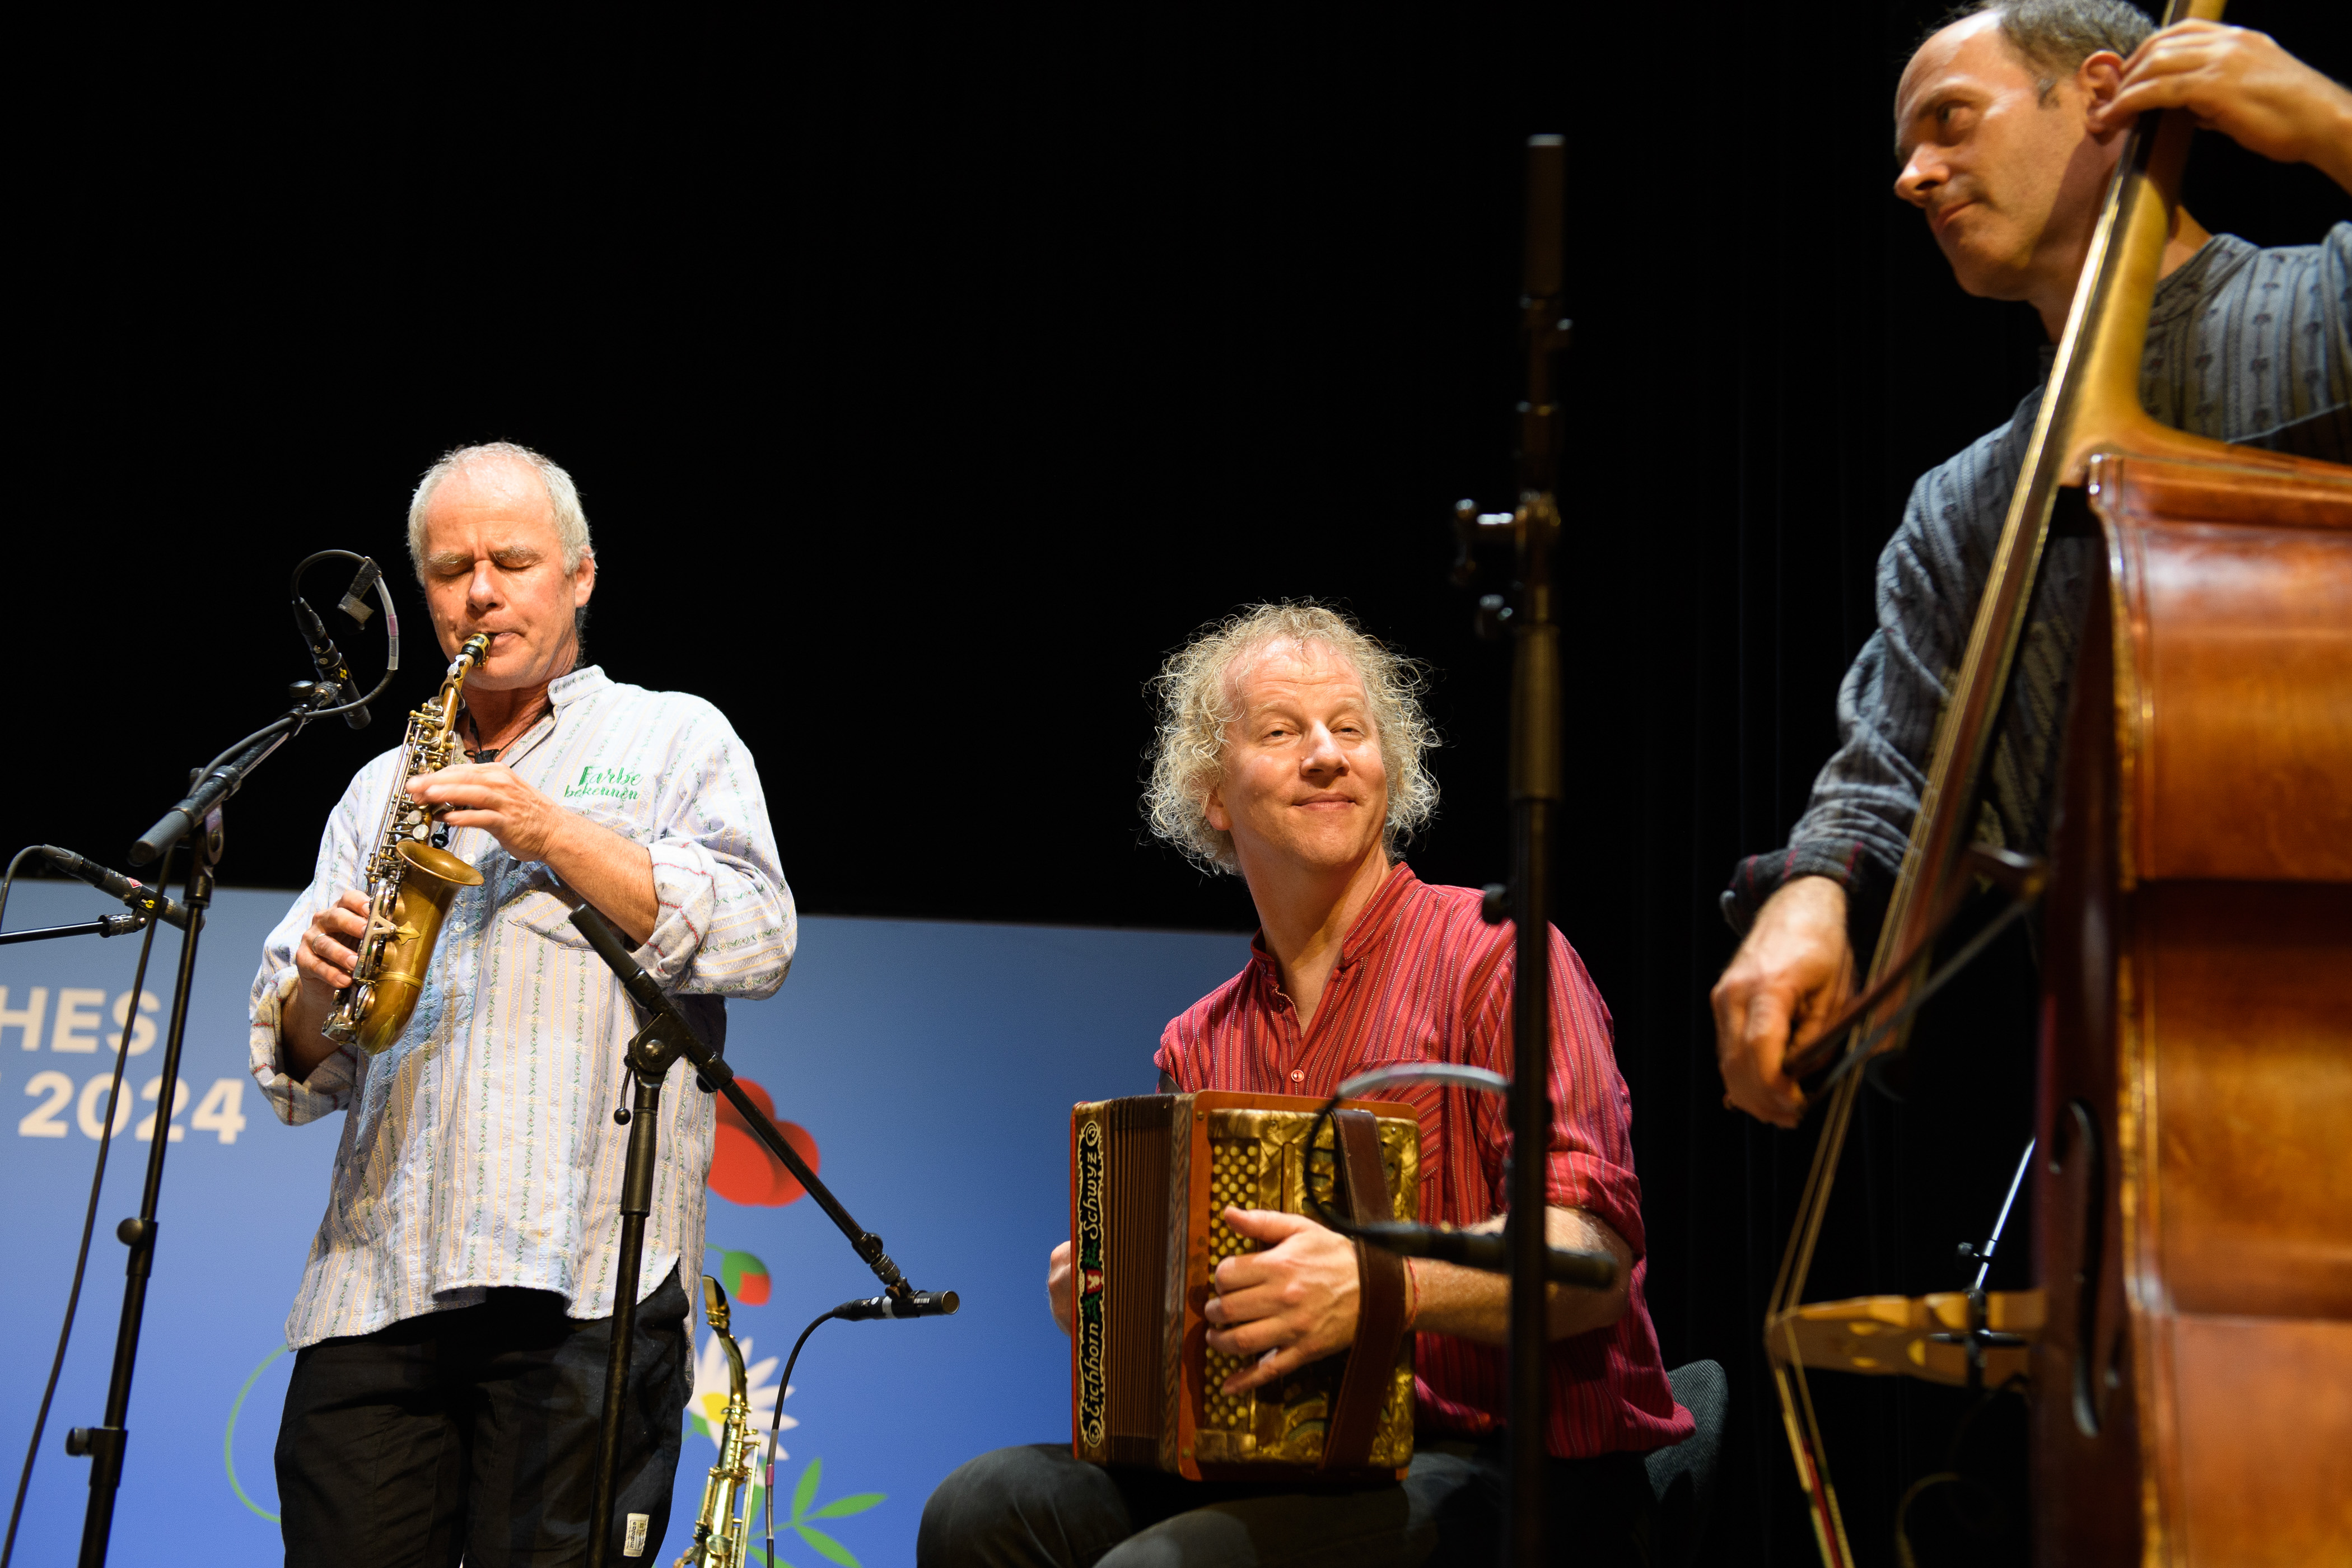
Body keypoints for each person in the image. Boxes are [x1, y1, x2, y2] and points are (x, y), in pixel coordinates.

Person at [919, 604, 1690, 1567]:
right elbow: (1212, 1330)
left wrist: (1380, 1288)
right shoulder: (1197, 1042)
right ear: (1212, 792)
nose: (1326, 755)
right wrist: (1124, 1312)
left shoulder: (1499, 960)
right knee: (981, 1510)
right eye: (1282, 732)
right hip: (1291, 1463)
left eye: (1351, 729)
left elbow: (1592, 1262)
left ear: (1387, 767)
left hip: (1518, 1469)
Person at [1712, 2, 2352, 1127]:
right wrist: (1810, 895)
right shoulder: (1965, 506)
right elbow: (1889, 769)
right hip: (2127, 1102)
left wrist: (2331, 124)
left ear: (2107, 95)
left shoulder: (2326, 313)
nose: (1916, 177)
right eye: (1908, 149)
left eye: (1951, 121)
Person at [246, 441, 796, 1565]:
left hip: (582, 1283)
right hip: (375, 1288)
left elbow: (758, 933)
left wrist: (545, 828)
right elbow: (301, 1072)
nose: (480, 591)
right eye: (451, 570)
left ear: (580, 575)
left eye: (511, 559)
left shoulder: (675, 737)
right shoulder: (378, 787)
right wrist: (317, 981)